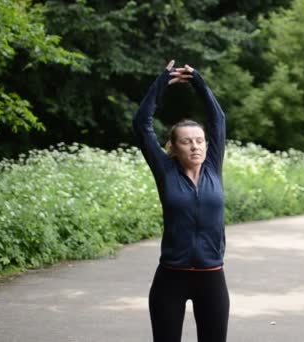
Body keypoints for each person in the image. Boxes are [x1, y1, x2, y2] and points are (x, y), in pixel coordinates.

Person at [132, 60, 229, 342]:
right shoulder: (166, 171)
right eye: (187, 141)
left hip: (212, 276)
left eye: (199, 140)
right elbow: (142, 123)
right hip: (171, 278)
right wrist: (162, 81)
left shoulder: (213, 167)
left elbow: (218, 120)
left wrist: (197, 81)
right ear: (173, 148)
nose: (195, 146)